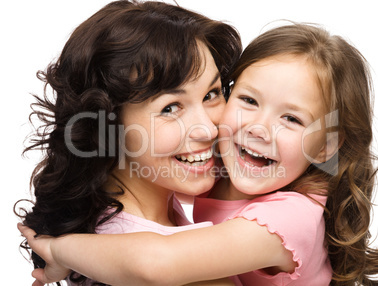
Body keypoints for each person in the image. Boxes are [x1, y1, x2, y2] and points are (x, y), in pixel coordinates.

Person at [19, 23, 378, 285]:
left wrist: (59, 250)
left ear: (327, 144)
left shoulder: (289, 218)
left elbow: (156, 263)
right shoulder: (224, 176)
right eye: (248, 100)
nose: (259, 128)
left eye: (292, 118)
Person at [15, 0, 242, 285]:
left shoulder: (119, 232)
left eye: (211, 93)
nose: (208, 130)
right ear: (108, 125)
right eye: (170, 108)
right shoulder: (144, 261)